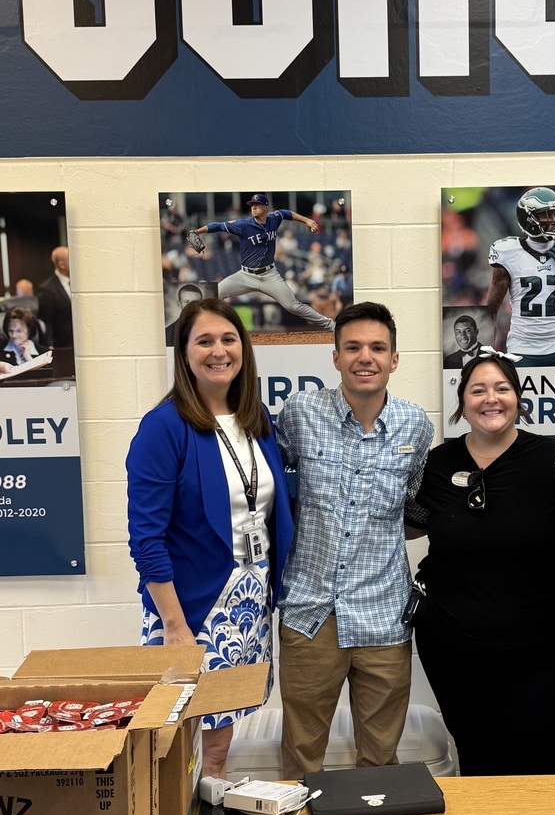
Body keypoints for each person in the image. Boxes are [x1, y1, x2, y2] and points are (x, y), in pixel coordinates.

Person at [126, 298, 293, 779]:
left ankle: (214, 797)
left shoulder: (254, 416)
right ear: (183, 353)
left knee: (221, 735)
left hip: (247, 598)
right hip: (190, 603)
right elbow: (146, 539)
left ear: (244, 347)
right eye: (204, 340)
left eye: (228, 339)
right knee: (173, 739)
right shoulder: (164, 427)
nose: (219, 351)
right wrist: (174, 627)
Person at [274, 301, 433, 778]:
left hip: (383, 616)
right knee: (301, 757)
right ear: (336, 356)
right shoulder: (300, 413)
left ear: (395, 358)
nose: (366, 357)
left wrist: (377, 539)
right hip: (310, 612)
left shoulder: (415, 425)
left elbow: (418, 510)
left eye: (378, 348)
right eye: (354, 347)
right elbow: (274, 497)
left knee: (380, 761)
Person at [406, 351, 555, 775]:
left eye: (502, 388)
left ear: (519, 398)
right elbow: (406, 524)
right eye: (478, 389)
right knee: (478, 761)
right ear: (462, 401)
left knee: (541, 763)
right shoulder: (435, 463)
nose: (491, 398)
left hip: (543, 652)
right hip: (454, 650)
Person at [189, 194, 334, 330]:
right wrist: (197, 231)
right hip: (246, 275)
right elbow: (218, 225)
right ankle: (203, 327)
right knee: (215, 294)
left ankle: (330, 325)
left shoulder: (274, 219)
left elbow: (286, 213)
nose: (253, 207)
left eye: (257, 205)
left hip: (269, 275)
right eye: (252, 205)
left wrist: (307, 220)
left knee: (293, 306)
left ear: (266, 208)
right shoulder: (243, 225)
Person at [484, 187, 555, 366]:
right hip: (522, 347)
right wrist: (484, 352)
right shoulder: (508, 252)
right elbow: (490, 311)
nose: (554, 220)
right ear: (528, 218)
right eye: (546, 215)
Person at [37, 246, 73, 347]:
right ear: (62, 265)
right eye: (71, 259)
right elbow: (46, 322)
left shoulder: (80, 283)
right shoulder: (47, 289)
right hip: (63, 346)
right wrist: (50, 347)